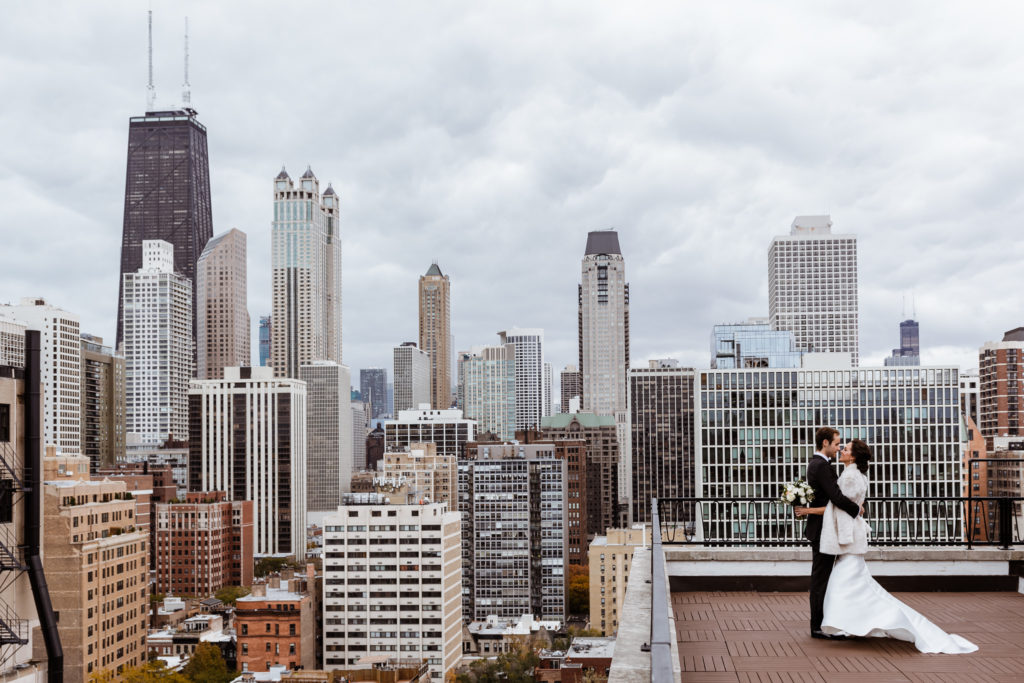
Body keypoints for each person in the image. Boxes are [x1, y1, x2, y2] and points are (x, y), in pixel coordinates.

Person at [796, 439, 977, 654]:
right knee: (849, 584)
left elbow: (840, 506)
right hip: (850, 539)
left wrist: (811, 511)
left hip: (849, 539)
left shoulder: (851, 476)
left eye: (845, 449)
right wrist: (854, 508)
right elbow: (848, 505)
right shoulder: (853, 474)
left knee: (846, 584)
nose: (841, 450)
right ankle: (848, 624)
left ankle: (854, 623)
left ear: (852, 457)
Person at [800, 427, 862, 640]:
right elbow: (835, 496)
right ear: (825, 443)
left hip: (824, 528)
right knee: (820, 580)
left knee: (825, 579)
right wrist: (856, 510)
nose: (838, 448)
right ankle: (817, 627)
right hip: (822, 531)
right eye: (836, 444)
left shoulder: (819, 464)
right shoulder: (820, 466)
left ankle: (825, 623)